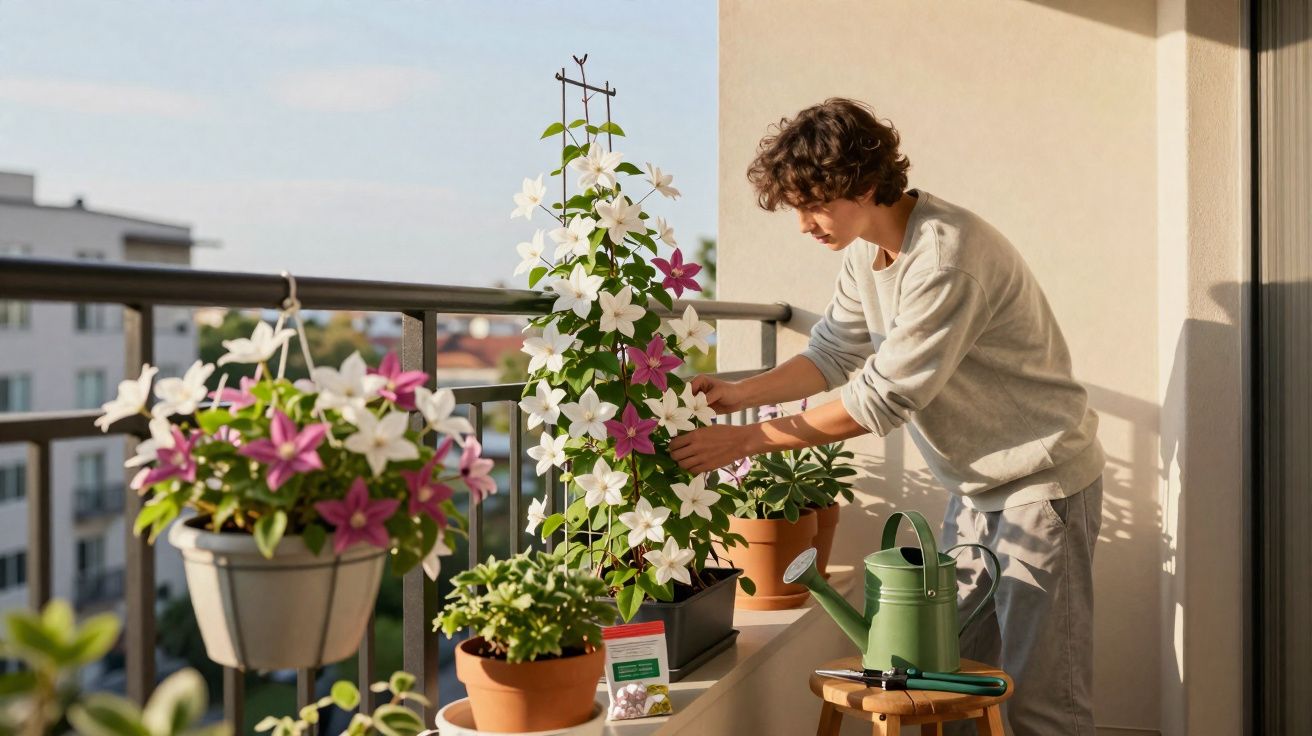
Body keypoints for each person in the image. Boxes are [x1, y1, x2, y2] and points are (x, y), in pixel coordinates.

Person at [669, 98, 1105, 736]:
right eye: (796, 207)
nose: (802, 224)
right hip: (976, 487)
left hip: (1041, 485)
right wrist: (741, 394)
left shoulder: (946, 258)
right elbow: (832, 353)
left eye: (815, 203)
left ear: (865, 185)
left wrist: (745, 442)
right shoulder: (863, 254)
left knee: (1044, 703)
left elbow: (882, 398)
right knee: (952, 685)